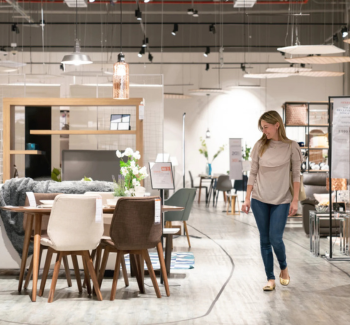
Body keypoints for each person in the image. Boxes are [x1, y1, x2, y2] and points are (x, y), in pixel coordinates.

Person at [241, 110, 302, 291]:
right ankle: (270, 278)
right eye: (262, 128)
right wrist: (247, 199)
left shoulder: (291, 146)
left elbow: (296, 175)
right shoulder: (260, 145)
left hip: (282, 199)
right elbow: (252, 174)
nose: (264, 131)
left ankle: (283, 267)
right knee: (265, 240)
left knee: (276, 238)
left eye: (266, 127)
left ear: (277, 125)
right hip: (260, 198)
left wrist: (295, 200)